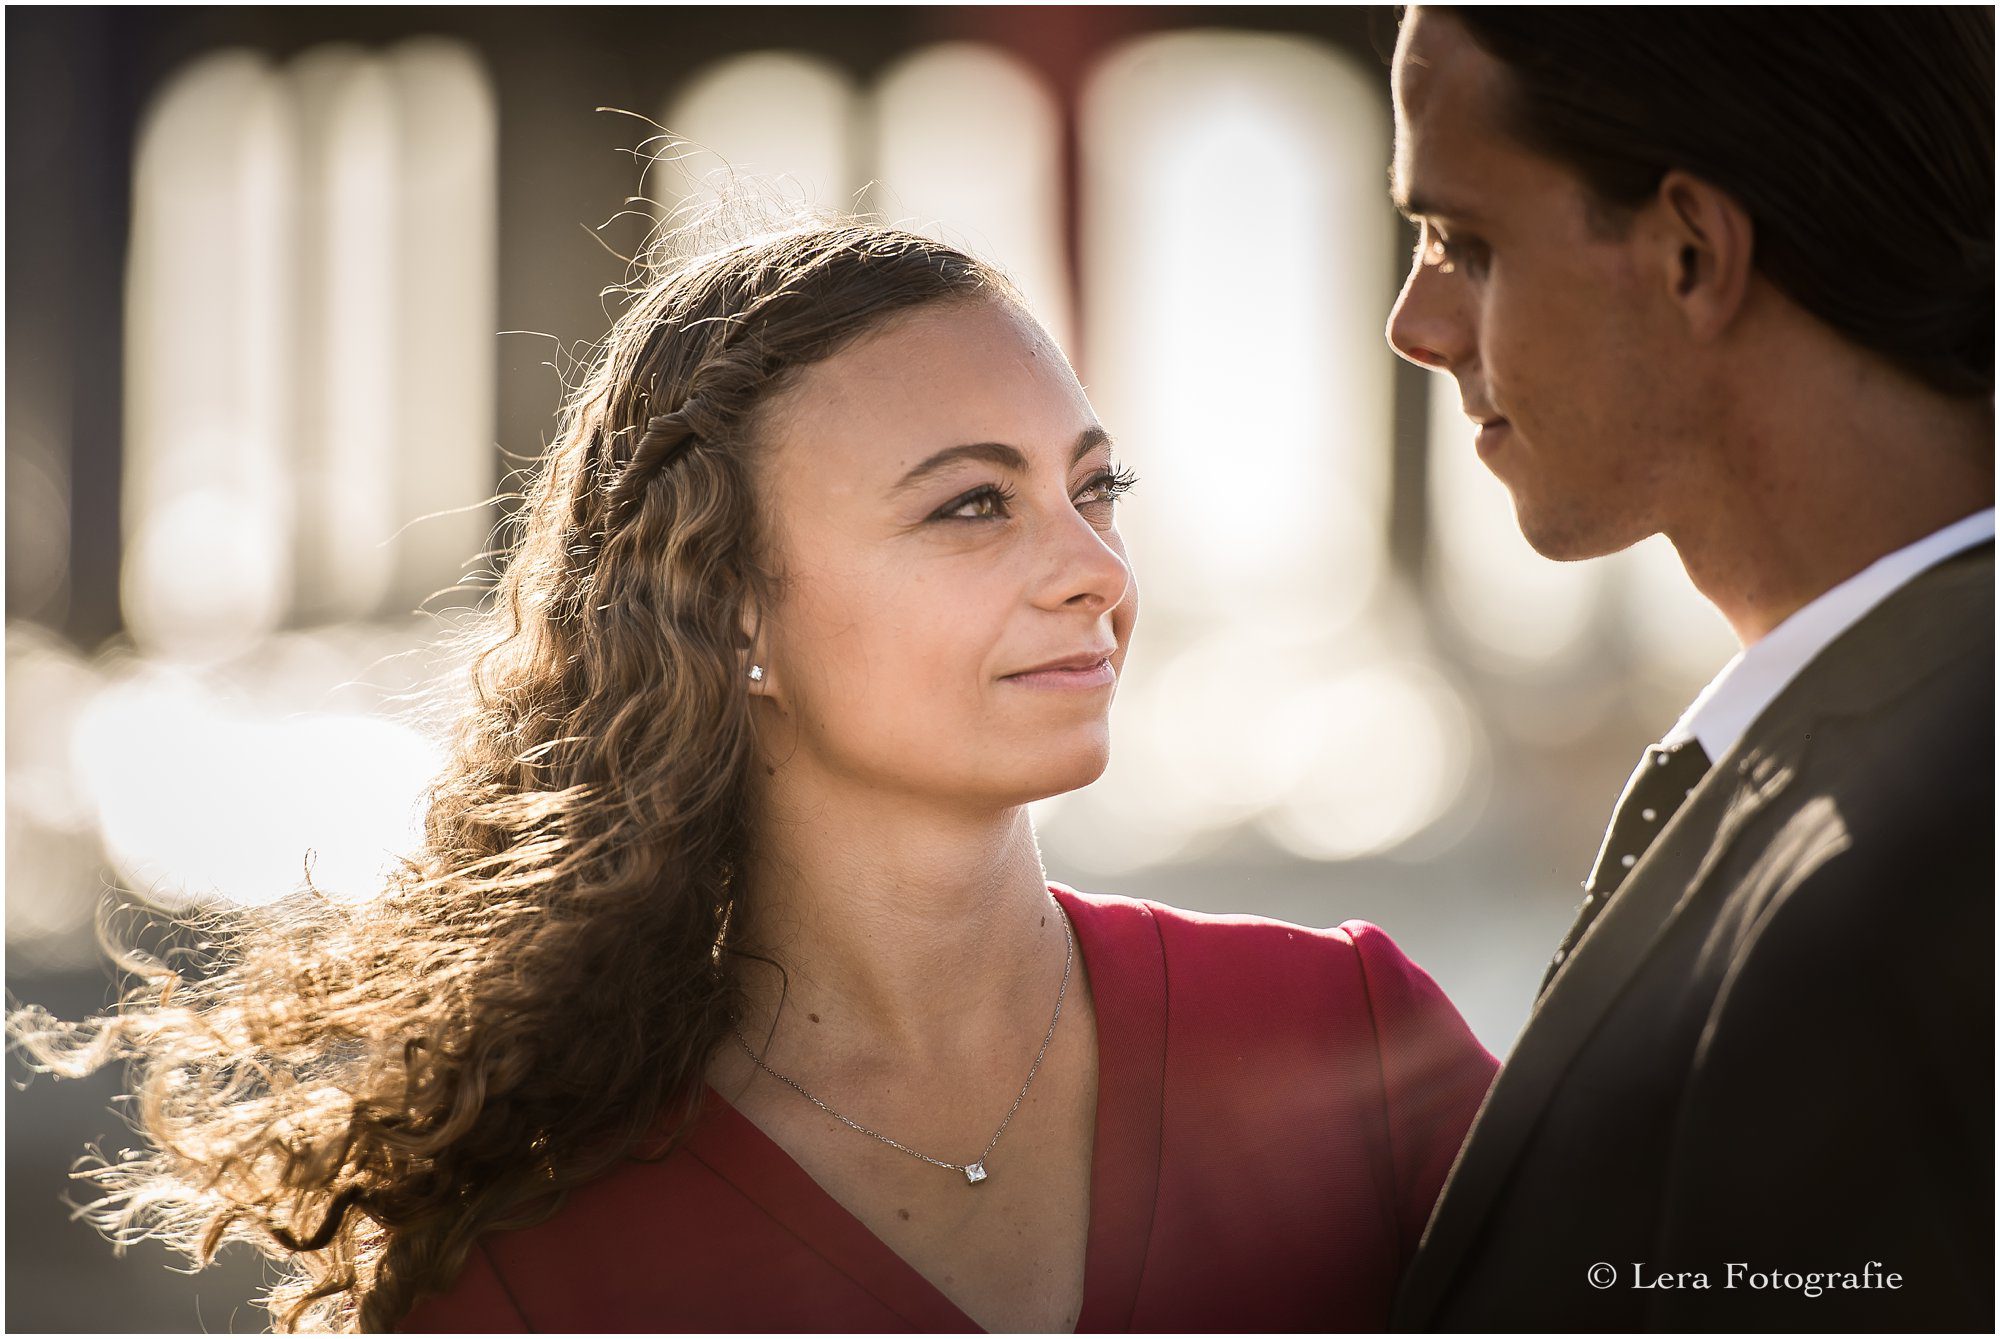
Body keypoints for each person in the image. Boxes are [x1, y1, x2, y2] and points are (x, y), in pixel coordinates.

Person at [13, 219, 1497, 1332]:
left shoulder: (1348, 1042)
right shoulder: (533, 1262)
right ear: (731, 613)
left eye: (1094, 487)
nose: (1096, 571)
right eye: (974, 506)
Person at [1383, 6, 1993, 1331]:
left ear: (1690, 253)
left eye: (1466, 243)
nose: (1415, 325)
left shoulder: (1922, 863)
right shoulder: (1879, 767)